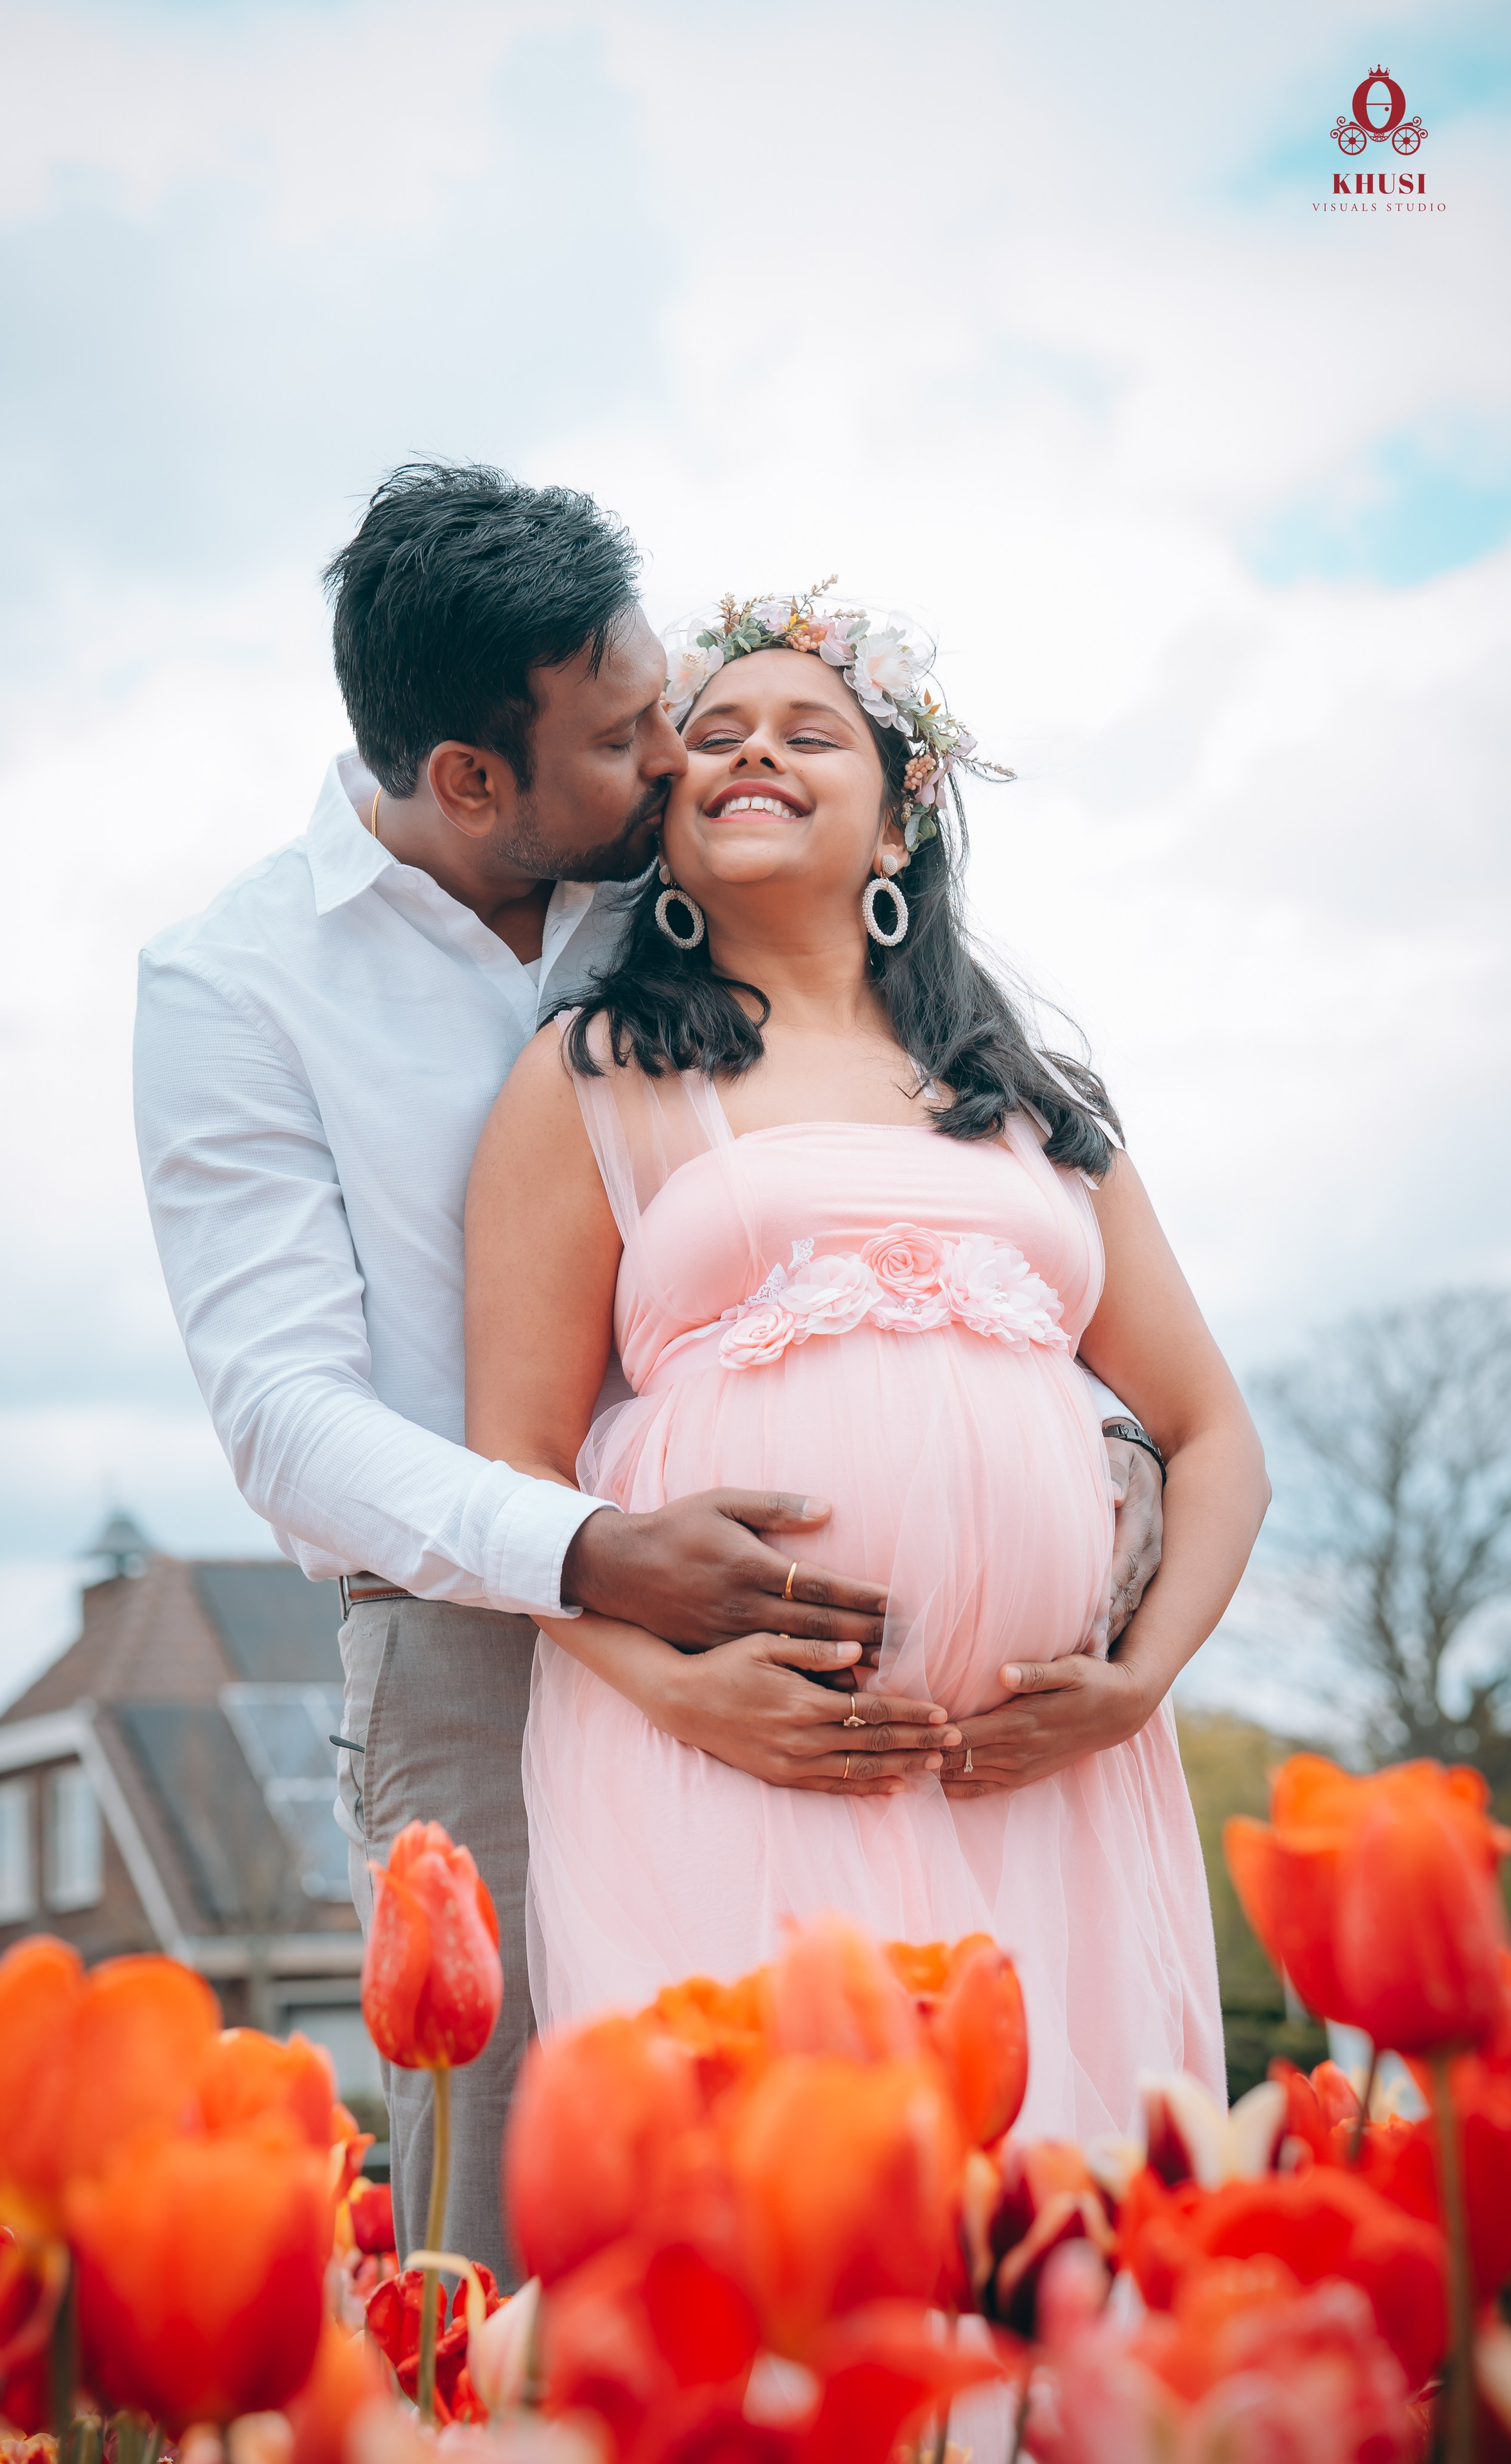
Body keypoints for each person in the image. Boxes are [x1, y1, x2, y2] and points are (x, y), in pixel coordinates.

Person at [133, 468, 1165, 2273]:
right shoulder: (237, 987)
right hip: (474, 1625)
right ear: (473, 783)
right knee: (531, 2201)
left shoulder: (669, 889)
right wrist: (594, 1554)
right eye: (629, 737)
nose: (682, 762)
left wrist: (1069, 1435)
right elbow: (285, 1416)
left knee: (924, 2187)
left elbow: (895, 1160)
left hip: (874, 1676)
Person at [466, 586, 1268, 2137]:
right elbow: (510, 1467)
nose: (748, 751)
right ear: (669, 818)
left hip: (1045, 1788)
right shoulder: (591, 1075)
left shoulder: (1023, 1102)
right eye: (709, 735)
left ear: (899, 819)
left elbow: (1212, 1433)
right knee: (774, 2231)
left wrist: (1132, 1687)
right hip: (729, 1770)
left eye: (805, 729)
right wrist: (683, 1698)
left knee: (1053, 2251)